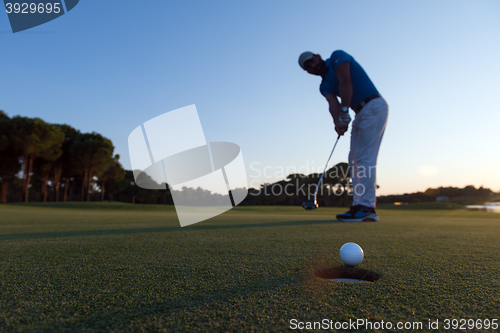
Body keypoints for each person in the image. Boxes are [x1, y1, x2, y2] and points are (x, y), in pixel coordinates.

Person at [298, 50, 388, 222]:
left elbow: (345, 81)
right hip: (359, 112)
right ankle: (359, 205)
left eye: (311, 61)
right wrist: (338, 122)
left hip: (372, 106)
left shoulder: (336, 57)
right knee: (354, 159)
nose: (311, 66)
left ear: (317, 56)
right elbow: (333, 102)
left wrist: (345, 111)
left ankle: (367, 207)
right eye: (307, 67)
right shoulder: (323, 86)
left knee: (364, 158)